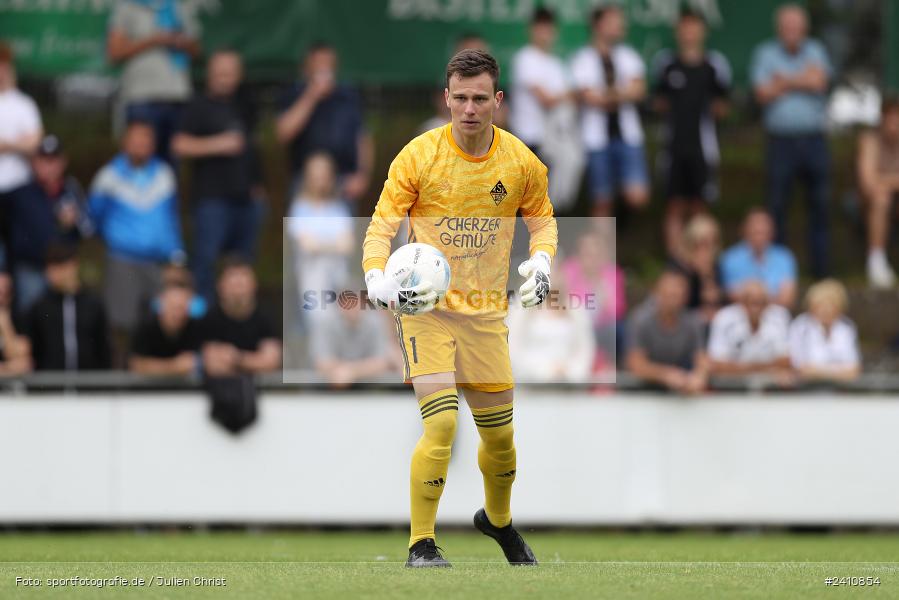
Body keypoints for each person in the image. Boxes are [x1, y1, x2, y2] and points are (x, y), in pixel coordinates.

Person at [362, 49, 556, 567]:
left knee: (502, 442)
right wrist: (375, 273)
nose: (469, 108)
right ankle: (420, 543)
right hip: (427, 311)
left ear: (498, 101)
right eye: (460, 98)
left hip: (487, 314)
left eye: (479, 98)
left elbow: (542, 218)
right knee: (442, 423)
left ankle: (497, 521)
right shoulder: (418, 156)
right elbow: (382, 222)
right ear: (446, 99)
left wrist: (542, 262)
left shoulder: (519, 162)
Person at [88, 120, 185, 363]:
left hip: (158, 261)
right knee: (121, 323)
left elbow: (171, 218)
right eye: (135, 139)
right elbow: (94, 218)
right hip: (123, 259)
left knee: (163, 320)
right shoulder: (108, 176)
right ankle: (121, 376)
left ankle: (158, 373)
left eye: (146, 139)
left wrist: (176, 255)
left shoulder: (164, 174)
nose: (141, 144)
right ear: (124, 143)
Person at [172, 49, 264, 303]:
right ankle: (205, 318)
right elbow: (179, 144)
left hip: (246, 199)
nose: (226, 77)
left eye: (231, 72)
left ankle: (237, 316)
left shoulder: (246, 104)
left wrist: (257, 185)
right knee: (206, 263)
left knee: (242, 265)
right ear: (210, 73)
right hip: (211, 199)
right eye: (221, 71)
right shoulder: (197, 105)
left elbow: (254, 147)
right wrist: (218, 144)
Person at [750, 3, 833, 278]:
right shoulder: (765, 52)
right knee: (776, 208)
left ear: (804, 28)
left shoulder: (817, 50)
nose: (791, 31)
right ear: (779, 28)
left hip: (814, 140)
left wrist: (783, 81)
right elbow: (762, 93)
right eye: (787, 26)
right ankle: (777, 276)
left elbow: (820, 82)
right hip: (780, 142)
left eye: (796, 25)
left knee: (820, 207)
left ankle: (821, 274)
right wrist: (803, 79)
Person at [653, 9, 731, 259]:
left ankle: (701, 261)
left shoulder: (714, 65)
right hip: (673, 147)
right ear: (678, 32)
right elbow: (658, 102)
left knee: (700, 205)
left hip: (703, 148)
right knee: (674, 205)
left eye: (694, 27)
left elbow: (723, 105)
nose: (689, 32)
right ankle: (676, 262)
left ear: (703, 31)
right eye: (684, 27)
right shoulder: (666, 64)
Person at [571, 5, 649, 217]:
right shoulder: (583, 58)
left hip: (628, 137)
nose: (620, 26)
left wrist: (606, 95)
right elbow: (588, 96)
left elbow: (639, 90)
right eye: (614, 21)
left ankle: (621, 221)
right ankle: (602, 248)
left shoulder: (628, 55)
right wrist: (622, 93)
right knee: (601, 200)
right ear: (598, 25)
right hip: (596, 139)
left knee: (637, 195)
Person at [276, 42, 373, 205]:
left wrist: (362, 175)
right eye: (318, 64)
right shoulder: (294, 94)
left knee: (344, 231)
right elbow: (283, 134)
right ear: (307, 68)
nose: (324, 69)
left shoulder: (348, 96)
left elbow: (363, 138)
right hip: (305, 183)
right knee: (303, 231)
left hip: (344, 182)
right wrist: (312, 95)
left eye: (328, 64)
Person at [107, 0, 201, 164]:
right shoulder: (128, 6)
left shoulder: (179, 6)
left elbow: (197, 49)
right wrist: (154, 40)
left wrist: (180, 41)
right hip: (142, 98)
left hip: (176, 98)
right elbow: (115, 52)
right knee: (139, 161)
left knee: (172, 164)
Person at [7, 135, 91, 315]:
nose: (49, 166)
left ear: (63, 162)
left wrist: (75, 220)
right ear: (34, 163)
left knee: (63, 318)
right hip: (31, 270)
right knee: (31, 317)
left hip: (64, 270)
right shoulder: (19, 194)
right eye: (44, 160)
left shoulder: (72, 191)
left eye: (54, 160)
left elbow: (88, 230)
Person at [287, 152, 353, 325]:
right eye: (315, 177)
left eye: (324, 176)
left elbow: (348, 245)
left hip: (339, 277)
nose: (320, 181)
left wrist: (320, 245)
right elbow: (307, 246)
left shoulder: (338, 208)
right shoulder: (299, 208)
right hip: (310, 276)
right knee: (319, 320)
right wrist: (333, 246)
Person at [23, 243, 110, 371]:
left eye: (59, 267)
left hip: (90, 385)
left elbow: (103, 347)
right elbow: (33, 349)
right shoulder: (39, 307)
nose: (52, 274)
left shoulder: (94, 304)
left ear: (74, 265)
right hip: (48, 385)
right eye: (50, 268)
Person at [508, 262, 595, 382]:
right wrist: (545, 371)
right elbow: (513, 350)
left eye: (555, 269)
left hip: (569, 386)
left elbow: (585, 350)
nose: (551, 274)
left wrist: (571, 371)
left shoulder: (576, 309)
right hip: (530, 385)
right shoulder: (520, 307)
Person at [626, 270, 708, 394]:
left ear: (685, 297)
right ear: (657, 293)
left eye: (677, 295)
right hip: (640, 390)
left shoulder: (693, 322)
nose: (673, 301)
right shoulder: (640, 319)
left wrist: (699, 375)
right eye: (669, 295)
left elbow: (701, 358)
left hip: (678, 388)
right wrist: (666, 374)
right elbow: (635, 363)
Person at [199, 257, 281, 377]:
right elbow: (213, 366)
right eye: (233, 281)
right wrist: (254, 361)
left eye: (243, 281)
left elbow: (271, 362)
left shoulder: (268, 317)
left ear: (254, 284)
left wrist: (236, 358)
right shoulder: (209, 319)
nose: (238, 287)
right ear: (220, 286)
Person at [0, 41, 43, 269]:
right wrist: (19, 143)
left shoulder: (24, 104)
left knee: (19, 254)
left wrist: (6, 145)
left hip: (19, 188)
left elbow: (35, 142)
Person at [562, 231, 624, 371]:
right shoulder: (568, 270)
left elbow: (618, 311)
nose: (591, 259)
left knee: (615, 330)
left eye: (596, 254)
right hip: (575, 323)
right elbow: (563, 304)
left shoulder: (612, 273)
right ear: (578, 254)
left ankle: (608, 369)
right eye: (587, 253)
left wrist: (601, 289)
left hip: (602, 328)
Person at [707, 280, 792, 380]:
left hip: (770, 386)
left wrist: (740, 367)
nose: (755, 308)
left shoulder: (780, 317)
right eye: (751, 302)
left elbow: (786, 362)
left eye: (760, 302)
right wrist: (767, 368)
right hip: (731, 385)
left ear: (767, 303)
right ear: (741, 302)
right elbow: (716, 364)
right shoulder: (724, 318)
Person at [856, 96, 899, 288]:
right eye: (892, 117)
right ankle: (876, 261)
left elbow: (877, 179)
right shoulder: (869, 140)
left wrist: (884, 180)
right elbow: (868, 183)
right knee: (881, 198)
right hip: (867, 202)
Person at [720, 208, 797, 308]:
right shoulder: (730, 258)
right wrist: (771, 296)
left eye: (763, 232)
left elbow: (787, 299)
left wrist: (753, 298)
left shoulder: (785, 257)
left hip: (776, 314)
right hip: (740, 314)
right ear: (745, 231)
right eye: (756, 232)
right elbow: (731, 295)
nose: (759, 237)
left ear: (772, 233)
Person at [311, 298, 394, 388]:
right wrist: (352, 370)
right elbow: (322, 363)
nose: (352, 307)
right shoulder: (326, 323)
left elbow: (381, 363)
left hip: (368, 387)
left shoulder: (376, 322)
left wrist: (351, 371)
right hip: (328, 386)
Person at [789, 279, 861, 383]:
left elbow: (854, 370)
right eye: (821, 305)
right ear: (811, 306)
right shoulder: (800, 326)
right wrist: (839, 371)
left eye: (831, 304)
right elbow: (799, 368)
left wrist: (818, 372)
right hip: (805, 391)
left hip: (840, 392)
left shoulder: (846, 328)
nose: (826, 310)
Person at [129, 277, 203, 376]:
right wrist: (174, 366)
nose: (177, 314)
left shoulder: (195, 328)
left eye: (181, 307)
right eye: (173, 307)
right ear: (162, 304)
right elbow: (136, 365)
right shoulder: (145, 327)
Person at [669, 213, 726, 325]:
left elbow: (714, 298)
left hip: (708, 317)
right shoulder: (678, 265)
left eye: (712, 243)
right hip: (683, 316)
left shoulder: (715, 264)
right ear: (691, 242)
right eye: (702, 243)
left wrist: (706, 276)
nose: (707, 249)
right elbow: (678, 300)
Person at [0, 272, 31, 375]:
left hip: (12, 389)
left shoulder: (20, 320)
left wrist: (5, 324)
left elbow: (24, 364)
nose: (1, 299)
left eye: (5, 293)